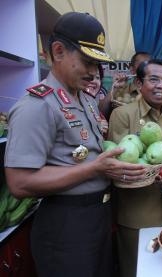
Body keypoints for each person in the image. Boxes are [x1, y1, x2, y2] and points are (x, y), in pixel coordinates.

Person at [4, 12, 146, 277]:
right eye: (87, 61)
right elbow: (19, 182)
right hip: (65, 225)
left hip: (97, 217)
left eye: (97, 63)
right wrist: (95, 169)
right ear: (58, 51)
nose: (94, 72)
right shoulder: (37, 106)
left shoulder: (85, 100)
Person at [107, 59, 162, 277]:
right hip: (136, 212)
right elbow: (117, 164)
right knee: (135, 269)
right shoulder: (122, 115)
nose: (161, 85)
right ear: (139, 84)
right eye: (153, 79)